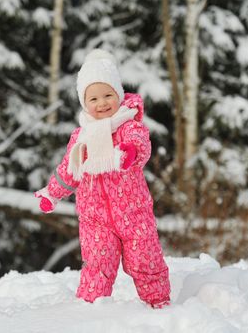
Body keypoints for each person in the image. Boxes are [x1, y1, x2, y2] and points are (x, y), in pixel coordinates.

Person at [34, 49, 170, 308]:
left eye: (108, 95)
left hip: (134, 213)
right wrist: (52, 193)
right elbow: (68, 171)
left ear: (118, 95)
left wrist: (129, 153)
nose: (102, 103)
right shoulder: (80, 137)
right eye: (93, 98)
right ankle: (91, 311)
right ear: (85, 103)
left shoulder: (129, 126)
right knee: (97, 265)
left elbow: (140, 145)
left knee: (146, 259)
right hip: (95, 219)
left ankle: (158, 304)